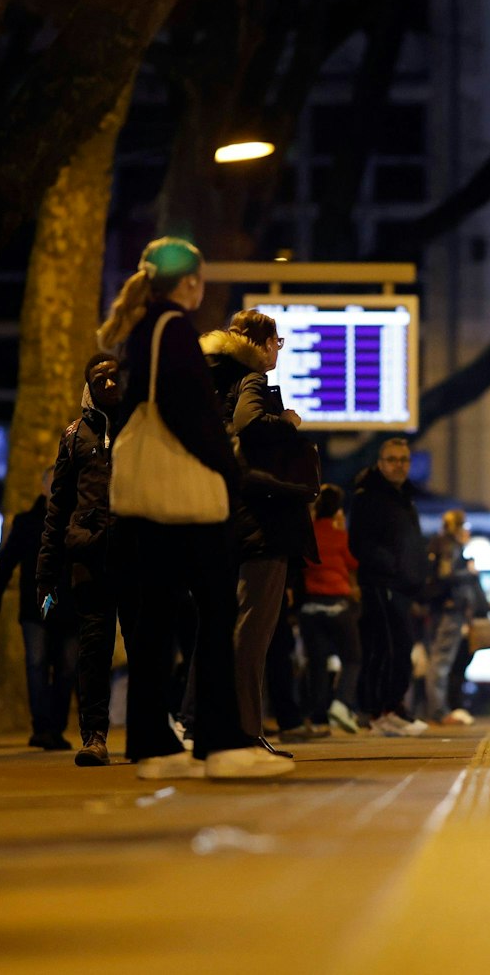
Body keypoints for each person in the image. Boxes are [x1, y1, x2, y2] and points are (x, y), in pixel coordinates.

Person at [95, 237, 292, 780]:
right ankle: (220, 741)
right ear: (189, 282)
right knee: (215, 610)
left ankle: (153, 744)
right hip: (185, 494)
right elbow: (187, 413)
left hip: (145, 497)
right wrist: (229, 472)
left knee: (155, 617)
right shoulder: (174, 328)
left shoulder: (140, 329)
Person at [201, 310, 318, 755]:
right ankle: (245, 732)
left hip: (229, 515)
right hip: (263, 521)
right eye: (276, 342)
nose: (277, 351)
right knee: (254, 632)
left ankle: (213, 725)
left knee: (226, 628)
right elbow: (251, 424)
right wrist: (288, 421)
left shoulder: (219, 379)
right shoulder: (250, 381)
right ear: (260, 343)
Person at [41, 353, 122, 767]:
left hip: (138, 553)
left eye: (115, 376)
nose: (109, 384)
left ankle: (152, 733)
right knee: (93, 654)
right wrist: (46, 575)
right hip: (90, 556)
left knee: (149, 646)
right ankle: (94, 736)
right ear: (89, 386)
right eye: (100, 378)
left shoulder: (141, 426)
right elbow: (57, 508)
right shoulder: (74, 436)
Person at [0, 466, 76, 750]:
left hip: (70, 609)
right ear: (43, 488)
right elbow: (5, 561)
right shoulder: (27, 523)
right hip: (35, 608)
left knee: (66, 669)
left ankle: (55, 727)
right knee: (36, 664)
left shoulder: (77, 522)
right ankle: (42, 727)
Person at [349, 438, 429, 736]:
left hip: (401, 586)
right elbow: (358, 542)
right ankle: (380, 712)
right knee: (388, 648)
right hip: (382, 584)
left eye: (404, 460)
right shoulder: (369, 496)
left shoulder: (403, 498)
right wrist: (391, 567)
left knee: (399, 648)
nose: (399, 465)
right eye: (393, 459)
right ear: (380, 463)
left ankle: (392, 707)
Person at [298, 485, 364, 734]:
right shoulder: (338, 535)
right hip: (338, 603)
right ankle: (341, 702)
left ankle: (317, 718)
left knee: (316, 662)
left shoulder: (307, 533)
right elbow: (353, 562)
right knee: (352, 657)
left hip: (310, 606)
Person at [421, 510, 481, 725]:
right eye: (465, 527)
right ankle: (439, 711)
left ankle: (437, 708)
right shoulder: (450, 546)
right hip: (450, 609)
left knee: (436, 658)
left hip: (438, 607)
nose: (467, 532)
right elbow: (446, 574)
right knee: (441, 660)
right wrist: (470, 572)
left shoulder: (436, 543)